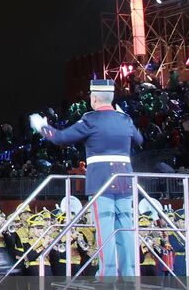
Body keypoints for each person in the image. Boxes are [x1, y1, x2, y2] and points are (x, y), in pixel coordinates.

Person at [39, 79, 144, 276]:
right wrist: (122, 118)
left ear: (94, 98)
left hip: (102, 182)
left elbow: (60, 138)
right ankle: (129, 274)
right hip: (125, 182)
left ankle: (109, 274)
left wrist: (42, 127)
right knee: (126, 229)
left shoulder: (91, 119)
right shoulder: (125, 119)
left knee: (105, 228)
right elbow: (140, 140)